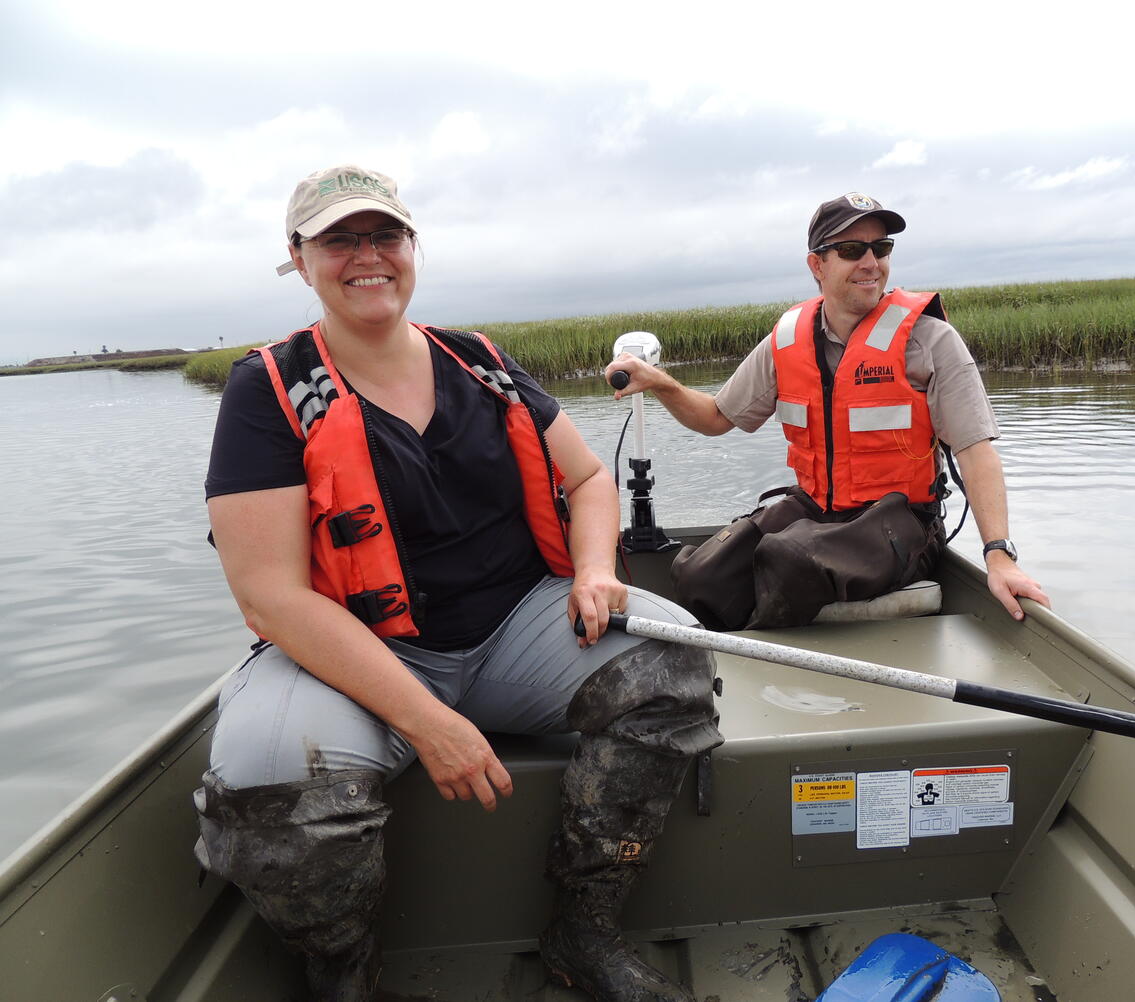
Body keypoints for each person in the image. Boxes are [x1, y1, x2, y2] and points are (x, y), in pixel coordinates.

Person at [195, 164, 720, 1002]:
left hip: (513, 629)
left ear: (412, 248)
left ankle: (583, 932)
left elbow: (587, 483)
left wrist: (593, 570)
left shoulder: (480, 362)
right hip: (358, 658)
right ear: (298, 258)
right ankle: (345, 974)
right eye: (339, 240)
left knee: (672, 663)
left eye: (385, 235)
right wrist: (429, 723)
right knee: (265, 777)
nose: (367, 256)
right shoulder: (266, 390)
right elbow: (269, 596)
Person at [605, 192, 1050, 623]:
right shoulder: (786, 339)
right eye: (853, 249)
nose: (871, 262)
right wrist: (660, 383)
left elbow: (976, 452)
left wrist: (999, 555)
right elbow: (717, 418)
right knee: (701, 573)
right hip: (816, 509)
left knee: (789, 559)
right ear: (817, 265)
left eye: (881, 247)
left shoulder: (930, 341)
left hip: (903, 523)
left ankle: (768, 663)